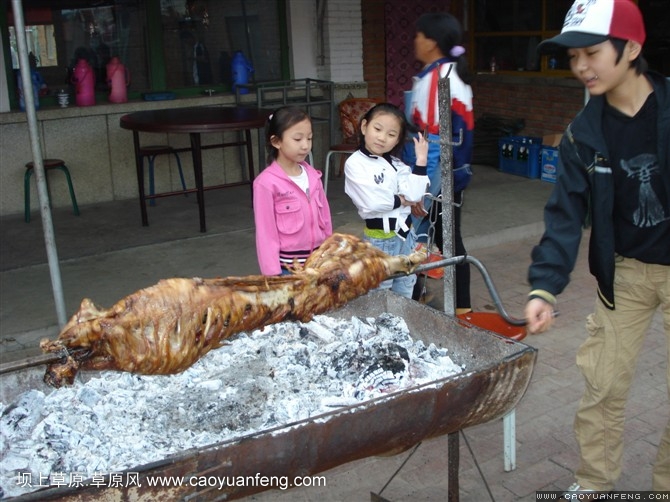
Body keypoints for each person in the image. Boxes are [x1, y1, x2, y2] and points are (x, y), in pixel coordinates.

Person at [525, 0, 670, 495]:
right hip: (624, 273)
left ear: (630, 47)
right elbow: (565, 213)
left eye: (591, 52)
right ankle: (594, 484)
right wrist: (544, 287)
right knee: (602, 385)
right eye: (572, 58)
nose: (581, 67)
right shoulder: (582, 135)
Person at [403, 12, 474, 313]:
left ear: (431, 41)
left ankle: (421, 301)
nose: (414, 41)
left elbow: (434, 144)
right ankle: (454, 306)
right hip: (448, 176)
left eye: (419, 35)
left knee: (415, 238)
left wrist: (420, 190)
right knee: (442, 240)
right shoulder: (448, 73)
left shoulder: (438, 79)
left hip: (435, 177)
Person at [344, 103, 429, 298]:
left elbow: (415, 195)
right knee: (379, 292)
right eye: (377, 129)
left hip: (406, 235)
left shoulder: (397, 164)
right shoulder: (355, 163)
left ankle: (400, 326)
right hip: (380, 239)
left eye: (391, 135)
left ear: (397, 140)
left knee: (406, 286)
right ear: (364, 127)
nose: (382, 138)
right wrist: (402, 200)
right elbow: (372, 202)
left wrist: (421, 161)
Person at [253, 106, 333, 275]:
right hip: (288, 270)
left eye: (309, 138)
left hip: (319, 264)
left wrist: (330, 256)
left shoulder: (313, 176)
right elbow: (265, 234)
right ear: (276, 141)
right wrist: (273, 276)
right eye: (297, 139)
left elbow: (326, 220)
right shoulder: (265, 183)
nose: (305, 146)